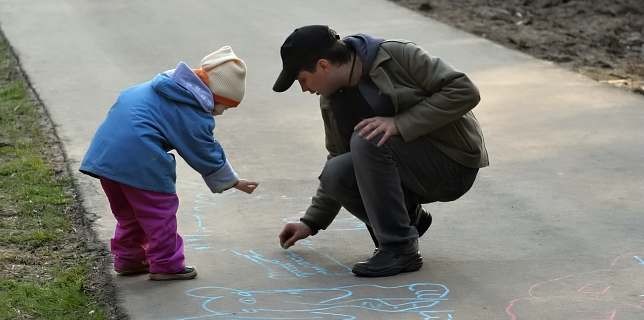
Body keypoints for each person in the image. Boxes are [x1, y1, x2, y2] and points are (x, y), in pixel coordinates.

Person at [275, 25, 488, 277]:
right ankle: (409, 220)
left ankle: (399, 248)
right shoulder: (332, 100)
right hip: (409, 169)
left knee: (368, 139)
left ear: (323, 65)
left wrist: (400, 123)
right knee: (336, 171)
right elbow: (338, 159)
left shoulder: (396, 55)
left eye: (302, 80)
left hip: (451, 164)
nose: (305, 89)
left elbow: (464, 90)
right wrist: (311, 222)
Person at [80, 46, 258, 281]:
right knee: (159, 212)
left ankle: (129, 259)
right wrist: (231, 180)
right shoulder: (190, 109)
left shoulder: (161, 88)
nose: (221, 112)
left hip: (105, 159)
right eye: (223, 105)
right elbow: (203, 150)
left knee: (130, 214)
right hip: (141, 160)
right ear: (213, 94)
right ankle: (166, 264)